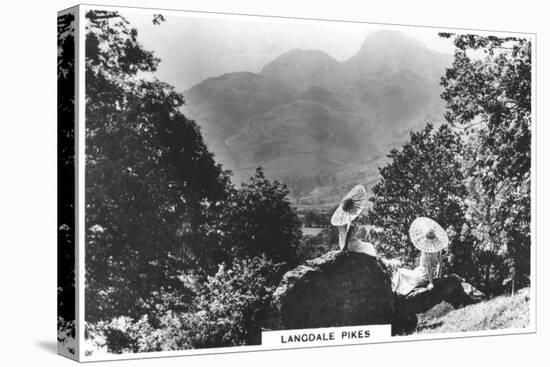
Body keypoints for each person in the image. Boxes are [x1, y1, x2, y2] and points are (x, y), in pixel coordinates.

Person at [392, 217, 448, 296]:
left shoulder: (427, 249)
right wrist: (438, 276)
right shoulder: (438, 248)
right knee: (411, 271)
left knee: (400, 272)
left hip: (423, 276)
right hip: (429, 274)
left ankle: (393, 292)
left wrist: (431, 283)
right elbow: (440, 263)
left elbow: (429, 266)